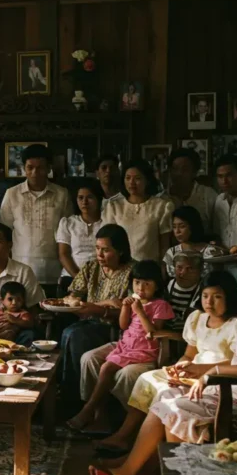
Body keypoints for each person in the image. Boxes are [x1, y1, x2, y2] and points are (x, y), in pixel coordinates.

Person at [89, 250, 237, 475]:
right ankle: (139, 465)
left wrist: (212, 372)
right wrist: (194, 368)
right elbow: (236, 359)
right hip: (235, 385)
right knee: (166, 394)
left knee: (179, 407)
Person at [95, 271, 237, 454]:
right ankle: (126, 435)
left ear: (230, 297)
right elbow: (189, 354)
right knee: (147, 380)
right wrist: (179, 367)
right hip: (191, 370)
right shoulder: (198, 318)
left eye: (217, 297)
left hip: (217, 376)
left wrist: (200, 372)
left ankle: (153, 448)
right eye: (205, 296)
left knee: (164, 391)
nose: (209, 303)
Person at [68, 260, 174, 431]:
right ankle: (98, 413)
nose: (141, 288)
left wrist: (140, 311)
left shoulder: (160, 305)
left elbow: (153, 333)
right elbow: (123, 325)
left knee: (107, 368)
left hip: (143, 349)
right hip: (126, 345)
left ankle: (88, 410)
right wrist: (126, 308)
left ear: (157, 285)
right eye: (137, 283)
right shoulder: (133, 301)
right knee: (89, 358)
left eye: (147, 284)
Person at [57, 224, 135, 399]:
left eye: (106, 250)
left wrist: (96, 309)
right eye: (97, 248)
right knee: (67, 331)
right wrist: (103, 304)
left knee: (74, 334)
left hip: (117, 328)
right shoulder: (91, 267)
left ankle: (76, 397)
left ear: (120, 251)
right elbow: (71, 298)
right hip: (88, 321)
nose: (99, 254)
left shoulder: (132, 271)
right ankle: (66, 392)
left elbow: (129, 308)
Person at [0, 144, 73, 286]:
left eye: (40, 168)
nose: (34, 172)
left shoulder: (62, 194)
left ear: (49, 169)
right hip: (19, 272)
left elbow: (68, 235)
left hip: (53, 271)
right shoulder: (12, 194)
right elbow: (4, 234)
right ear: (24, 168)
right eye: (30, 167)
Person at [102, 159, 174, 262]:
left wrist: (163, 266)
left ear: (147, 180)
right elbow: (107, 242)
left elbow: (164, 245)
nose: (131, 182)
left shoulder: (161, 206)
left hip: (149, 268)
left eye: (137, 178)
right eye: (128, 178)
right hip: (121, 267)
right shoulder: (114, 207)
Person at [56, 178, 104, 292]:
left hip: (101, 279)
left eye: (90, 197)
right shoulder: (68, 223)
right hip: (71, 277)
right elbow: (63, 254)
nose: (84, 202)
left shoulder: (106, 221)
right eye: (80, 198)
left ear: (98, 199)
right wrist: (79, 278)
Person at [163, 148, 218, 232]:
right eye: (175, 169)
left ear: (194, 172)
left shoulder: (208, 195)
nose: (179, 173)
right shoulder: (162, 199)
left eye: (184, 169)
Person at [162, 206, 224, 278]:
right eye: (174, 227)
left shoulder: (211, 251)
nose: (177, 231)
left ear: (193, 226)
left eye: (182, 226)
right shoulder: (172, 252)